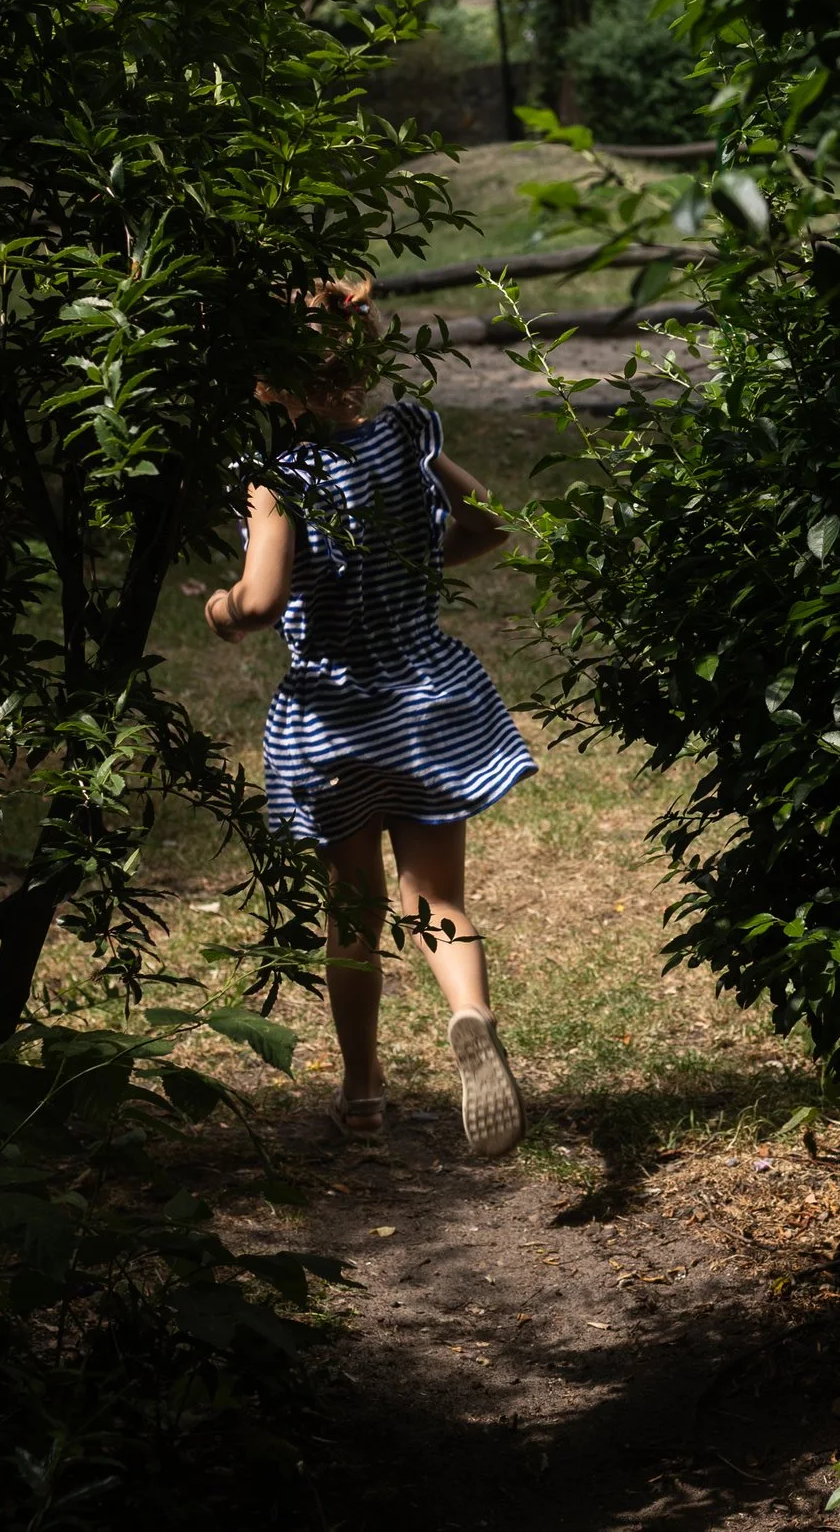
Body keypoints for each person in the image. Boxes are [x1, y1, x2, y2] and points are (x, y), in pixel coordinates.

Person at [204, 286, 536, 1152]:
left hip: (334, 721)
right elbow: (491, 525)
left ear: (268, 382)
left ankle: (361, 1093)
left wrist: (221, 610)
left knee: (352, 915)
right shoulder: (408, 436)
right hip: (427, 701)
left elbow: (263, 598)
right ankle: (469, 1013)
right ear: (366, 356)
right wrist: (425, 558)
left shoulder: (277, 476)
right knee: (437, 898)